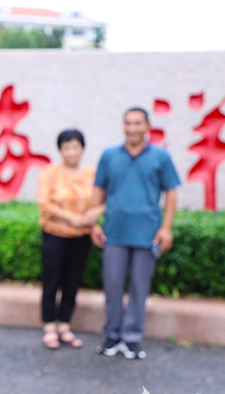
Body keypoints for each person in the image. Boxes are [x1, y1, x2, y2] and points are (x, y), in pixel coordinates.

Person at [91, 107, 181, 360]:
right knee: (112, 286)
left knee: (140, 288)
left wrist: (166, 228)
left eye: (137, 123)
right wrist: (93, 224)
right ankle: (112, 335)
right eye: (128, 123)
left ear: (147, 126)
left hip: (147, 234)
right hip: (114, 232)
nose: (132, 128)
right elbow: (98, 190)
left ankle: (131, 339)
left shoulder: (161, 156)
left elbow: (171, 192)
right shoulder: (109, 155)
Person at [37, 129, 100, 349]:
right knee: (52, 280)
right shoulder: (50, 173)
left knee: (72, 281)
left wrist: (92, 221)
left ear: (82, 149)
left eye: (75, 147)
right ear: (60, 149)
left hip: (81, 237)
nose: (71, 152)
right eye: (67, 147)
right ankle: (48, 326)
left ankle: (64, 324)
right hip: (55, 234)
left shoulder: (92, 174)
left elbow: (100, 201)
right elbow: (45, 204)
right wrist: (72, 218)